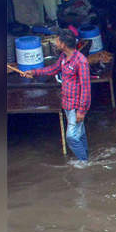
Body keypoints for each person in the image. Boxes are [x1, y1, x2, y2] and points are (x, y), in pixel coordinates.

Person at [18, 29, 91, 163]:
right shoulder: (64, 57)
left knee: (71, 137)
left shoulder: (81, 61)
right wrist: (34, 72)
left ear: (63, 44)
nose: (55, 42)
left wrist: (81, 110)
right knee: (79, 134)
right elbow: (52, 69)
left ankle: (84, 162)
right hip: (68, 104)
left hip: (76, 105)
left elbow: (86, 88)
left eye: (57, 40)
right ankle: (86, 158)